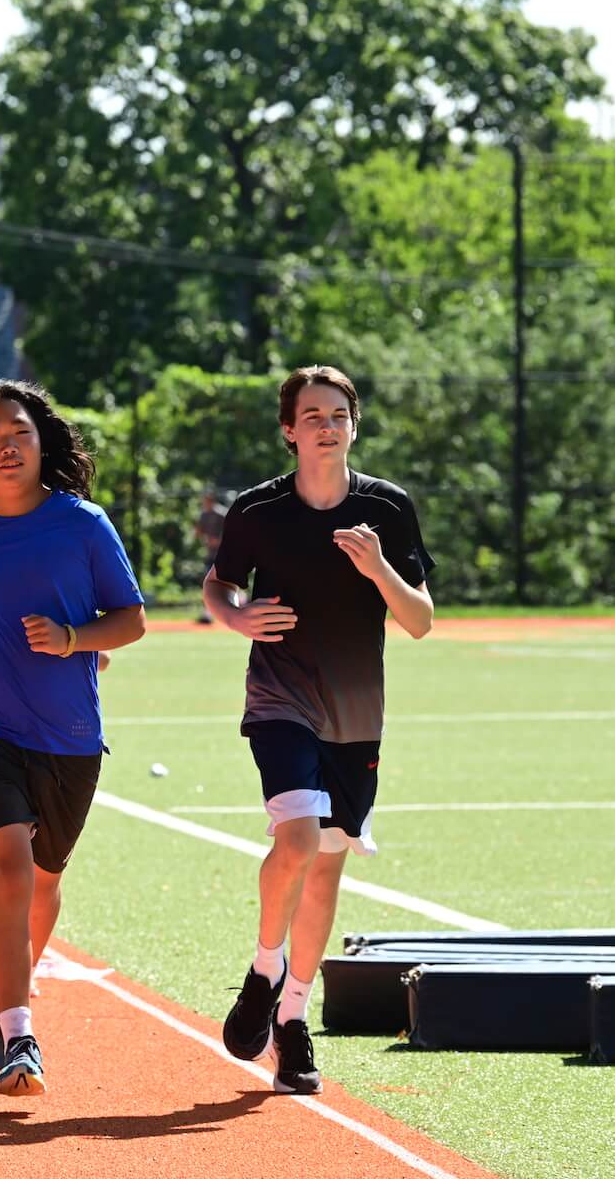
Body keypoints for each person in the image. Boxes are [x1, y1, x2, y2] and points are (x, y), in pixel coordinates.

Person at [0, 381, 147, 1098]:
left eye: (17, 431)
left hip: (70, 737)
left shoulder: (83, 525)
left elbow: (131, 620)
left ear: (41, 443)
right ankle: (19, 1033)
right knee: (7, 872)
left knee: (44, 881)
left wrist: (75, 637)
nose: (5, 445)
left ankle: (15, 984)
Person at [206, 365, 435, 1095]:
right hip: (280, 696)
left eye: (338, 413)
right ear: (289, 429)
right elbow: (219, 583)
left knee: (327, 864)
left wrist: (379, 571)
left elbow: (421, 620)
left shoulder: (387, 510)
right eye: (311, 414)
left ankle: (293, 1021)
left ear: (354, 424)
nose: (326, 424)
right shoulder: (258, 510)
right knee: (297, 839)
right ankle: (264, 969)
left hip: (357, 713)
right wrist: (235, 614)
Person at [194, 488, 228, 624]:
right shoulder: (203, 515)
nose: (204, 503)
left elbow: (232, 532)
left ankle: (237, 605)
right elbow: (199, 533)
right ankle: (208, 613)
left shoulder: (222, 514)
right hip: (210, 554)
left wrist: (219, 541)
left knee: (227, 582)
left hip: (223, 553)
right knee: (208, 582)